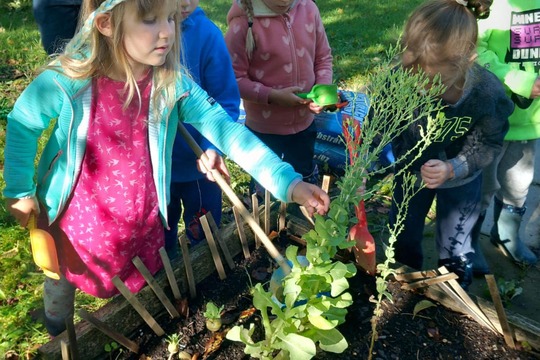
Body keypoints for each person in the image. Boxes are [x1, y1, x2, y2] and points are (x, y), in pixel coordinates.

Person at [3, 0, 330, 337]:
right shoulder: (69, 80)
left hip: (138, 214)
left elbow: (226, 130)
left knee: (134, 287)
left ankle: (122, 330)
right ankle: (58, 327)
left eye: (171, 18)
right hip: (77, 215)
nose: (167, 32)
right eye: (149, 20)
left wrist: (289, 183)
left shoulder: (170, 84)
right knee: (61, 274)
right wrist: (18, 190)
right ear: (106, 24)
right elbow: (24, 122)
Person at [389, 0, 513, 290]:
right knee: (403, 232)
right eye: (415, 76)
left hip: (461, 178)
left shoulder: (486, 92)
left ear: (468, 61)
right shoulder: (399, 76)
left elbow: (489, 141)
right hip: (411, 171)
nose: (423, 87)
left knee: (457, 240)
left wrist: (454, 167)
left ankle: (454, 289)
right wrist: (370, 166)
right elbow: (380, 125)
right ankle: (403, 282)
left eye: (434, 82)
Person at [224, 0, 333, 190]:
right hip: (264, 131)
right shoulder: (242, 22)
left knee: (302, 180)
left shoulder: (308, 9)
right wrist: (272, 96)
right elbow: (233, 79)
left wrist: (321, 90)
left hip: (304, 124)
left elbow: (323, 57)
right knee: (265, 189)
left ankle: (301, 215)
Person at [164, 0, 240, 258]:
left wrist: (214, 147)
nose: (185, 2)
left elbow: (227, 101)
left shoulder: (207, 35)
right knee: (159, 243)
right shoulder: (139, 36)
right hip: (154, 171)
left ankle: (203, 291)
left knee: (204, 240)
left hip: (200, 167)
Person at [472, 0, 539, 273]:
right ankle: (469, 240)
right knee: (484, 184)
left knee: (519, 182)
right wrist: (518, 80)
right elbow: (475, 50)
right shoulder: (491, 5)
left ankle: (507, 233)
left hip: (530, 118)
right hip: (492, 118)